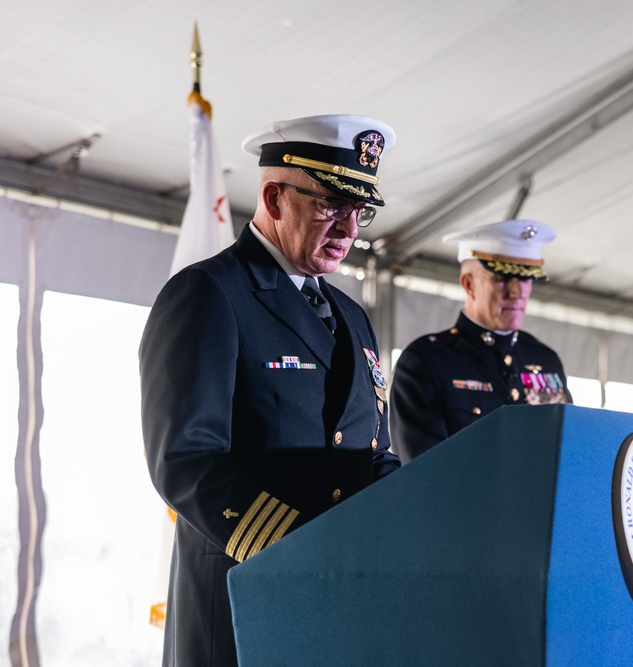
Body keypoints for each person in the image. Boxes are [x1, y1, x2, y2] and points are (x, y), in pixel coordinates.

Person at [139, 114, 400, 667]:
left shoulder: (353, 317)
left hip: (340, 600)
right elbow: (185, 459)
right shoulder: (208, 293)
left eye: (360, 212)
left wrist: (427, 508)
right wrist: (297, 549)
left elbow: (369, 455)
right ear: (275, 197)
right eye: (331, 205)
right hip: (243, 598)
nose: (349, 229)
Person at [390, 219, 571, 463]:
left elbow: (567, 448)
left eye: (526, 278)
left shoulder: (544, 358)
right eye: (502, 278)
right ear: (468, 283)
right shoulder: (427, 361)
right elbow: (422, 471)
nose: (517, 292)